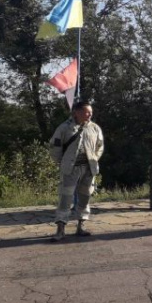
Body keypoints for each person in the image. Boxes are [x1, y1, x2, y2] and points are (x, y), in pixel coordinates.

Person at [49, 100, 104, 242]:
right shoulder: (64, 128)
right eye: (87, 112)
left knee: (85, 197)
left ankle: (81, 226)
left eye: (91, 112)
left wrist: (94, 159)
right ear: (76, 112)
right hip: (70, 169)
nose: (90, 115)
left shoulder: (95, 128)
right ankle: (60, 229)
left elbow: (100, 146)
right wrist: (62, 163)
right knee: (65, 198)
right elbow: (55, 148)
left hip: (88, 168)